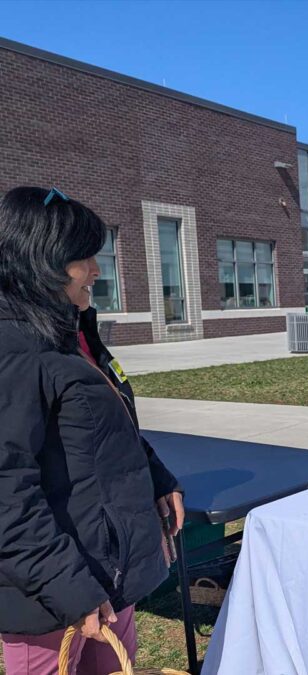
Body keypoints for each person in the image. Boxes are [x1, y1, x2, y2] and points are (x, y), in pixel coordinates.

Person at [0, 186, 184, 674]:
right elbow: (6, 492)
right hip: (51, 594)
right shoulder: (13, 351)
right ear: (45, 263)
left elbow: (104, 427)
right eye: (86, 259)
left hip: (107, 568)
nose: (98, 272)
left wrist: (158, 477)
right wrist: (70, 589)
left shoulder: (70, 330)